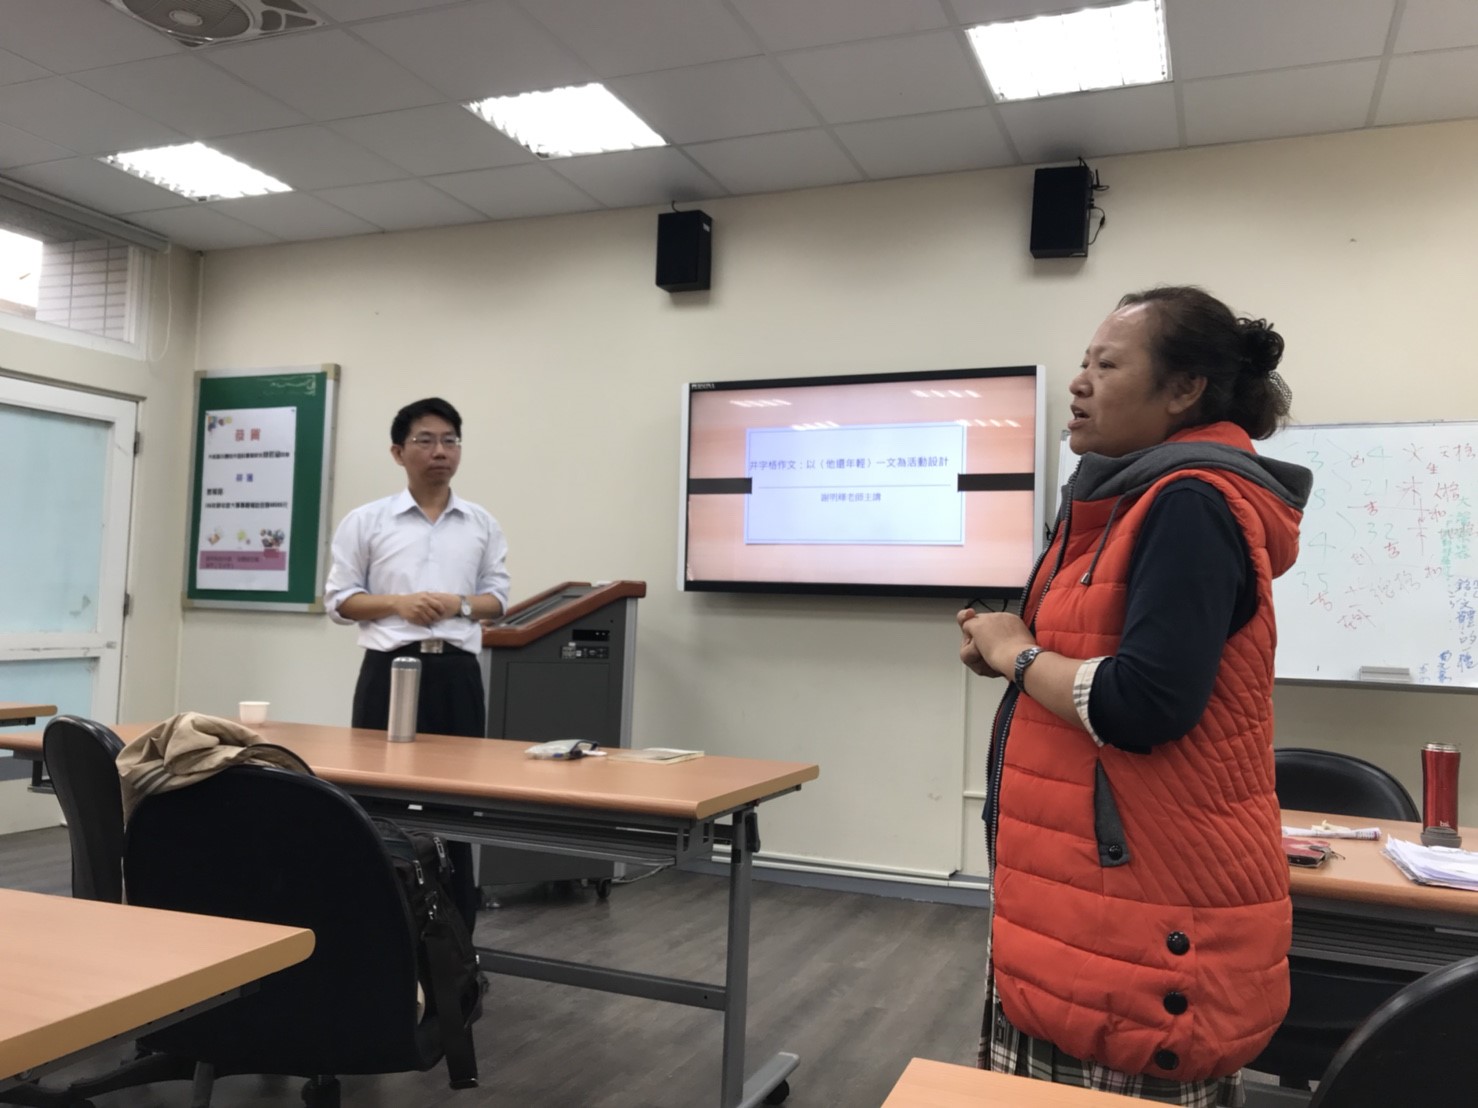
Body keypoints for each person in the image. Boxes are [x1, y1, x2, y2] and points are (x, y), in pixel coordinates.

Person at [957, 287, 1312, 1106]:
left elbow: (1145, 704)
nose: (1079, 382)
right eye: (1083, 362)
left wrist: (1016, 654)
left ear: (1184, 389)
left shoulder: (1189, 501)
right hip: (1083, 905)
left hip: (1137, 922)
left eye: (1107, 365)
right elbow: (1092, 667)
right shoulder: (1126, 498)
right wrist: (1013, 655)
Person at [325, 396, 510, 929]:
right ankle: (376, 928)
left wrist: (459, 604)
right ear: (398, 452)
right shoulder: (367, 521)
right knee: (375, 801)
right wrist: (397, 604)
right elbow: (339, 602)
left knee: (457, 806)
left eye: (450, 441)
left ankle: (457, 941)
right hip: (389, 670)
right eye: (425, 441)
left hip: (456, 674)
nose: (440, 452)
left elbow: (497, 600)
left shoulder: (480, 523)